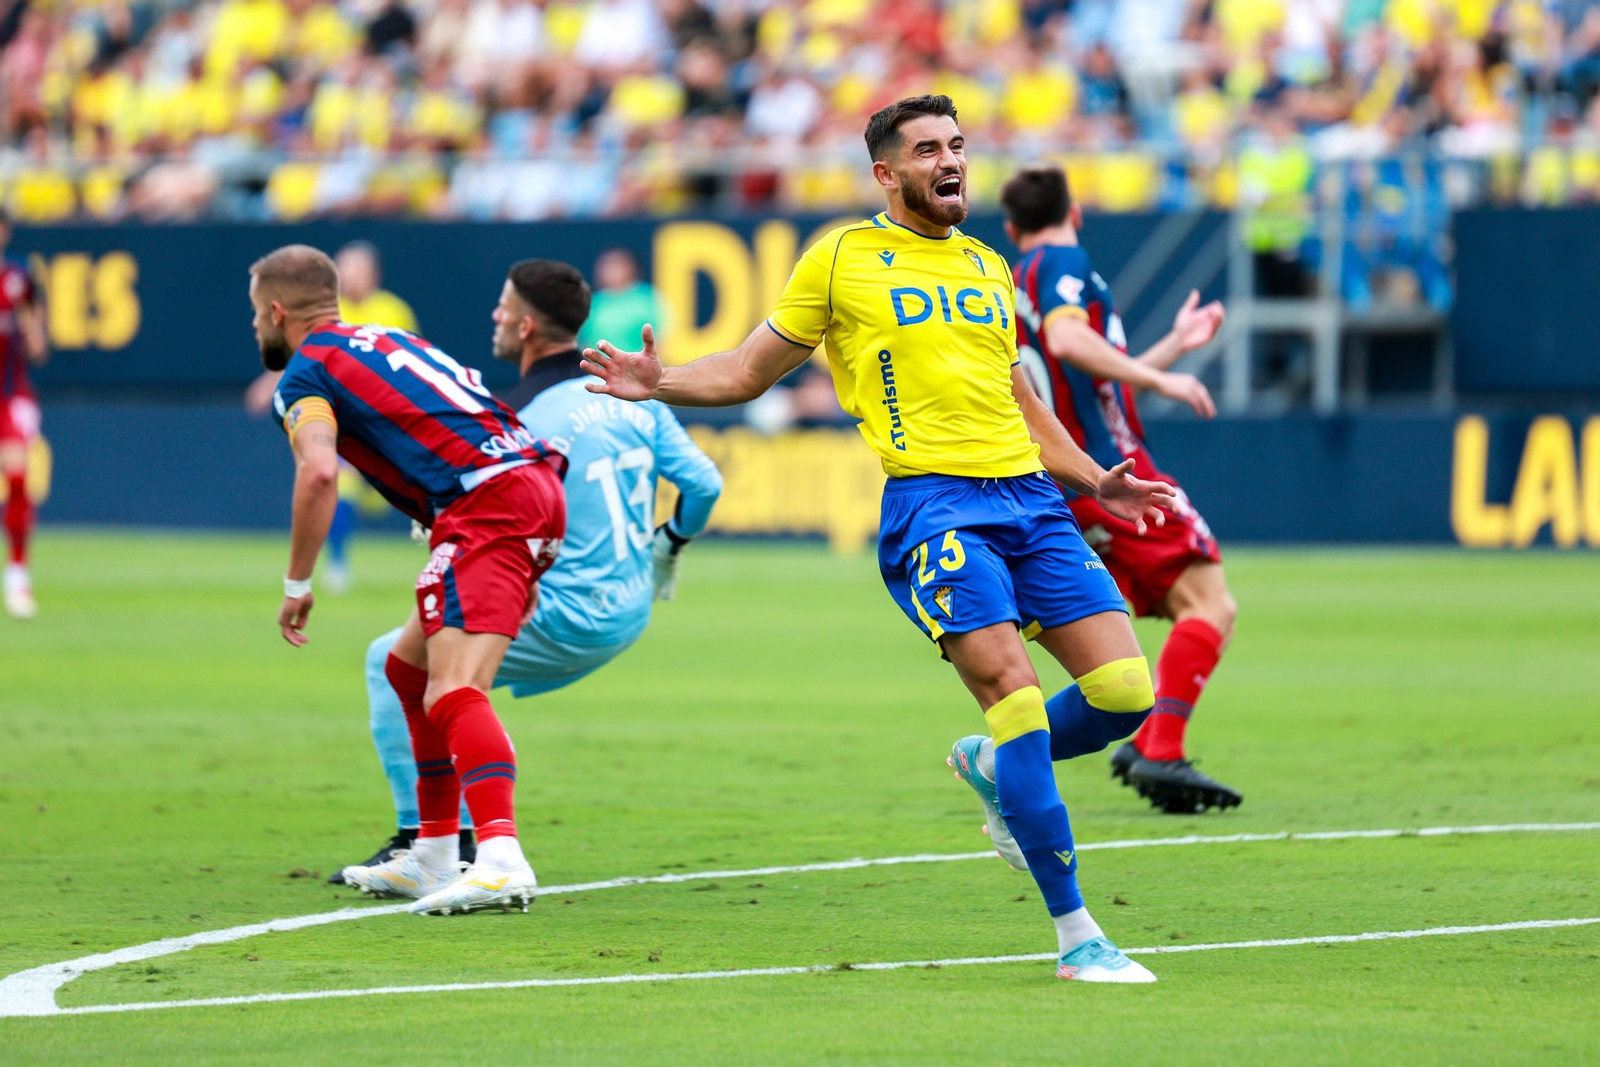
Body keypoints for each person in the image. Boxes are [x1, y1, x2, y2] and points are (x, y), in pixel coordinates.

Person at [583, 95, 1176, 984]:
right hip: (935, 508)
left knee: (1128, 690)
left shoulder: (985, 266)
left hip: (1032, 501)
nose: (951, 161)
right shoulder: (843, 257)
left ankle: (995, 772)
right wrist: (660, 379)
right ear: (887, 173)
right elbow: (748, 370)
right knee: (1013, 695)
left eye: (959, 146)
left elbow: (1021, 397)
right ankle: (1078, 935)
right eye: (929, 149)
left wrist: (1093, 478)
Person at [337, 258, 721, 888]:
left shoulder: (517, 416)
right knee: (438, 675)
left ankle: (433, 842)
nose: (494, 314)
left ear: (523, 325)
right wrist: (667, 547)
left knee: (408, 670)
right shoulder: (628, 392)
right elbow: (704, 483)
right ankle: (443, 844)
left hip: (562, 611)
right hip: (630, 607)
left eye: (501, 304)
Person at [252, 244, 567, 916]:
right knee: (407, 669)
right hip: (525, 483)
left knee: (456, 688)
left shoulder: (305, 374)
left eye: (257, 316)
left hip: (486, 502)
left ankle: (502, 856)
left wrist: (297, 583)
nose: (257, 329)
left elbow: (318, 473)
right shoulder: (390, 337)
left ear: (277, 312)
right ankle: (432, 852)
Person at [1002, 164, 1244, 815]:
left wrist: (1169, 348)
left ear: (1010, 226)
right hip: (1118, 473)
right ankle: (1157, 748)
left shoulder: (1010, 280)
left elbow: (1088, 377)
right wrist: (1164, 380)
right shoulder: (1062, 262)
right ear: (1075, 211)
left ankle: (1128, 743)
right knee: (1210, 603)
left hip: (1067, 482)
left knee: (1165, 619)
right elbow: (1070, 339)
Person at [244, 240, 421, 593]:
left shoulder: (392, 310)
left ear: (373, 274)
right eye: (343, 269)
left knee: (368, 487)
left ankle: (376, 492)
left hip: (385, 417)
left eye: (355, 269)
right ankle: (338, 563)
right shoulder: (326, 311)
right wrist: (268, 383)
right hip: (344, 415)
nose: (348, 277)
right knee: (341, 477)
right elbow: (306, 354)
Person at [0, 213, 48, 620]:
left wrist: (35, 336)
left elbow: (36, 323)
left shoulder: (18, 277)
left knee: (16, 476)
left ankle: (17, 575)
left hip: (10, 392)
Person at [577, 248, 660, 353]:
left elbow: (663, 339)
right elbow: (585, 342)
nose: (609, 272)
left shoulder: (647, 300)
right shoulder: (594, 303)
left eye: (615, 266)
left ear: (630, 268)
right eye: (605, 267)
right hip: (599, 368)